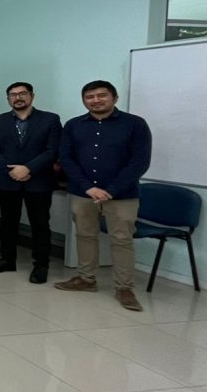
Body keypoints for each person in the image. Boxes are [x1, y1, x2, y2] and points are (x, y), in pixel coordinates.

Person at [56, 80, 152, 311]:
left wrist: (112, 189)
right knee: (85, 235)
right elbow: (67, 159)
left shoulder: (135, 124)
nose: (96, 100)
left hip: (122, 195)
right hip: (83, 193)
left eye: (102, 96)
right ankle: (86, 279)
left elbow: (139, 161)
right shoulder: (73, 125)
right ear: (84, 100)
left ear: (114, 98)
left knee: (122, 240)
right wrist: (88, 187)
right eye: (90, 97)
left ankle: (124, 287)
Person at [0, 82, 62, 283]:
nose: (18, 97)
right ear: (8, 99)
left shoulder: (50, 119)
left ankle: (41, 265)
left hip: (39, 181)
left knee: (40, 224)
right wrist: (12, 169)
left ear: (32, 96)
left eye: (22, 93)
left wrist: (28, 168)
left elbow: (53, 150)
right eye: (13, 94)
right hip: (7, 180)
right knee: (8, 223)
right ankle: (7, 260)